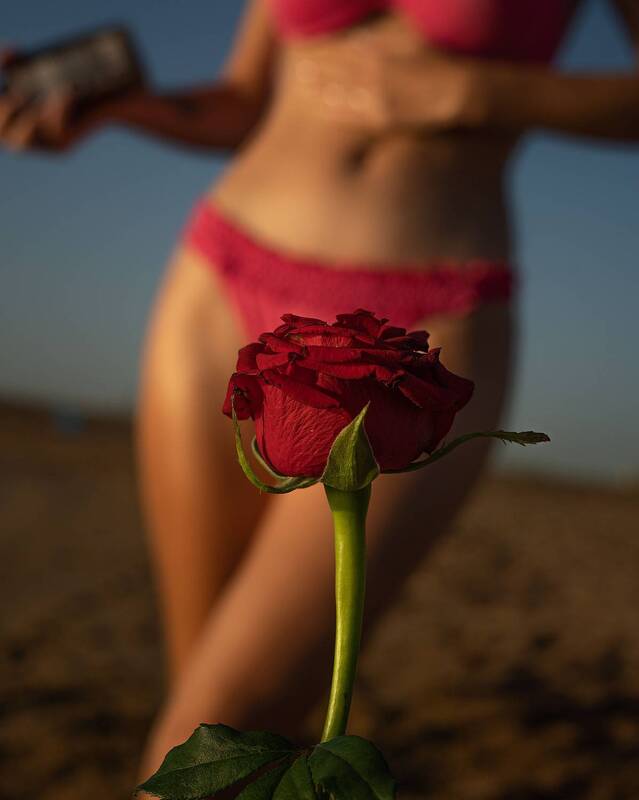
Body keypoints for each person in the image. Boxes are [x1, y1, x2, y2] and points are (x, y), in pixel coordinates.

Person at [2, 0, 639, 785]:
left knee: (230, 720)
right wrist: (113, 111)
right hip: (222, 275)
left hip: (422, 327)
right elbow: (244, 99)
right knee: (205, 736)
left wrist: (474, 92)